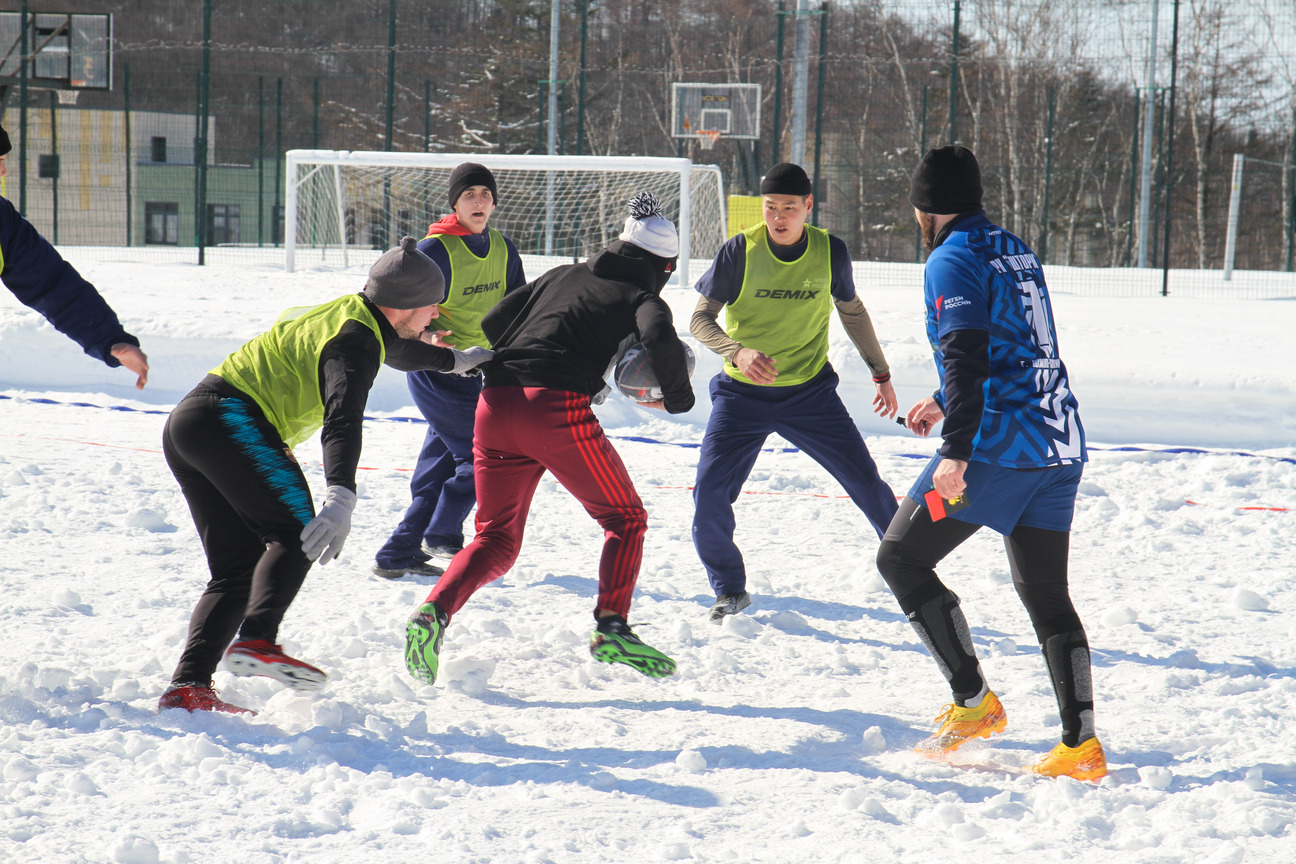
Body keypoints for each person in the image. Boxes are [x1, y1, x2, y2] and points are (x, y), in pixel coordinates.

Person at [159, 237, 493, 714]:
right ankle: (257, 641)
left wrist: (455, 360)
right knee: (297, 531)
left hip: (191, 423)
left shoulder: (350, 314)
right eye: (432, 307)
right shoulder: (354, 343)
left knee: (239, 569)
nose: (435, 316)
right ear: (404, 306)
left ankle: (188, 687)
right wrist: (341, 496)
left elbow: (395, 350)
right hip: (232, 420)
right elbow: (342, 418)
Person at [875, 145, 1106, 781]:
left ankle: (973, 703)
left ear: (925, 209)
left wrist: (955, 450)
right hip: (1059, 443)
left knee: (901, 557)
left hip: (998, 451)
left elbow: (967, 356)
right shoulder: (1013, 247)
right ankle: (1080, 745)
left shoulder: (948, 259)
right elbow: (1018, 346)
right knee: (1045, 592)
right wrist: (943, 401)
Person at [403, 192, 694, 686]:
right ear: (661, 265)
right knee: (625, 519)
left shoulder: (563, 273)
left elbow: (496, 320)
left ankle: (434, 611)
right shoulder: (643, 298)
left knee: (495, 537)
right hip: (553, 409)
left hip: (494, 403)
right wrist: (678, 400)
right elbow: (662, 340)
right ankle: (612, 627)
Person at [690, 162, 899, 622]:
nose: (779, 217)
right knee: (708, 493)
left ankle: (912, 571)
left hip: (809, 395)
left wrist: (881, 374)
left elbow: (853, 312)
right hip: (741, 395)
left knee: (867, 484)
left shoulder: (829, 251)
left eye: (789, 207)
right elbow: (699, 319)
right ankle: (729, 590)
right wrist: (738, 351)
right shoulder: (739, 250)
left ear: (808, 206)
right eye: (770, 208)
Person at [373, 163, 527, 579]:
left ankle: (414, 547)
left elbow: (517, 309)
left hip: (475, 371)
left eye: (485, 193)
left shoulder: (504, 248)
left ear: (494, 202)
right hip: (435, 370)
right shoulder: (432, 251)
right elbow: (389, 309)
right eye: (469, 194)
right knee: (485, 458)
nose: (478, 201)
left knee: (442, 464)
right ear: (455, 203)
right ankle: (427, 537)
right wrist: (423, 340)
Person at [0, 123, 149, 390]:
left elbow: (53, 285)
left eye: (3, 160)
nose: (3, 171)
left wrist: (111, 340)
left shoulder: (3, 221)